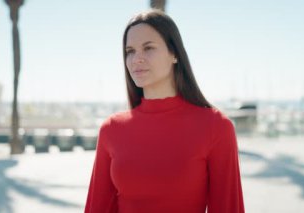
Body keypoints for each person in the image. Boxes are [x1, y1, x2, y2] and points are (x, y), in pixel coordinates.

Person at [84, 9, 245, 213]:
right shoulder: (111, 129)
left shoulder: (216, 127)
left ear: (175, 54)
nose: (136, 59)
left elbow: (228, 208)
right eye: (130, 51)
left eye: (148, 48)